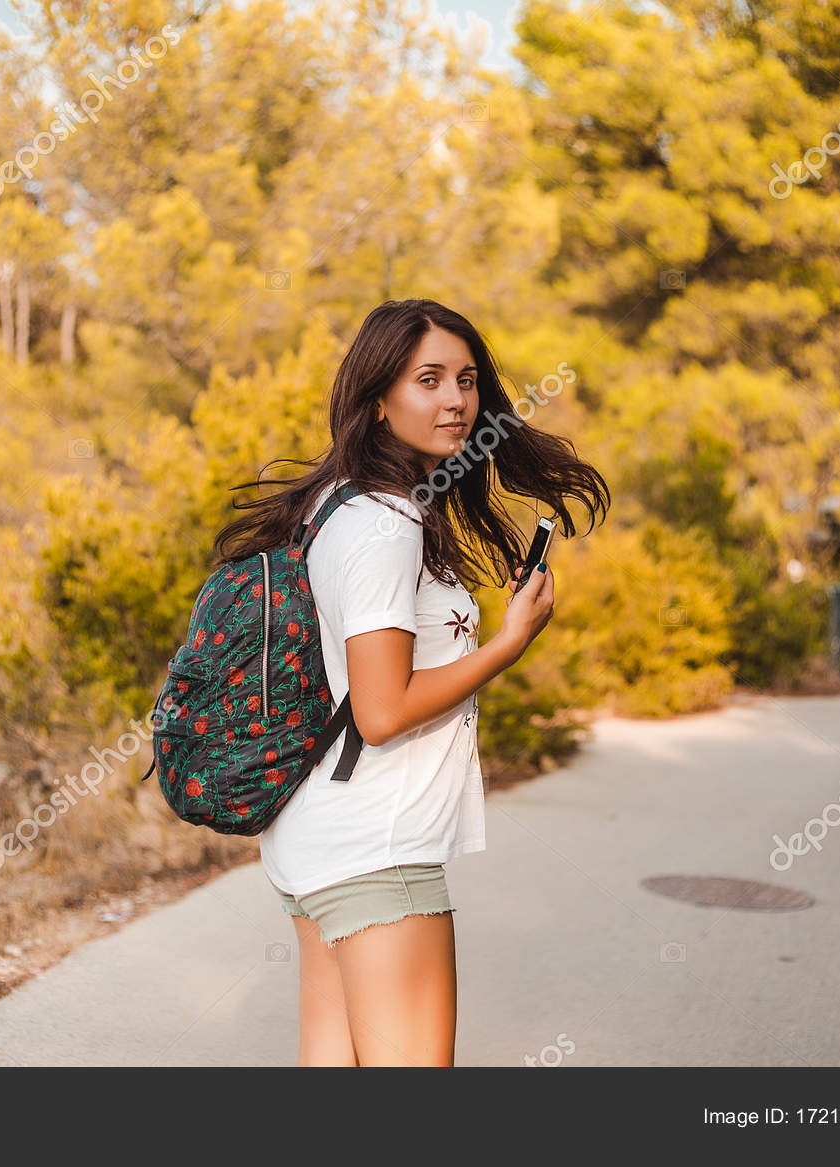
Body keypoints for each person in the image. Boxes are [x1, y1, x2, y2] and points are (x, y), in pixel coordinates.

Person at [212, 298, 611, 1066]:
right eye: (427, 379)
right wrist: (509, 642)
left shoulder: (341, 504)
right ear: (379, 400)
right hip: (377, 852)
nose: (456, 399)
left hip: (321, 840)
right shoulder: (384, 525)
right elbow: (382, 709)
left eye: (465, 379)